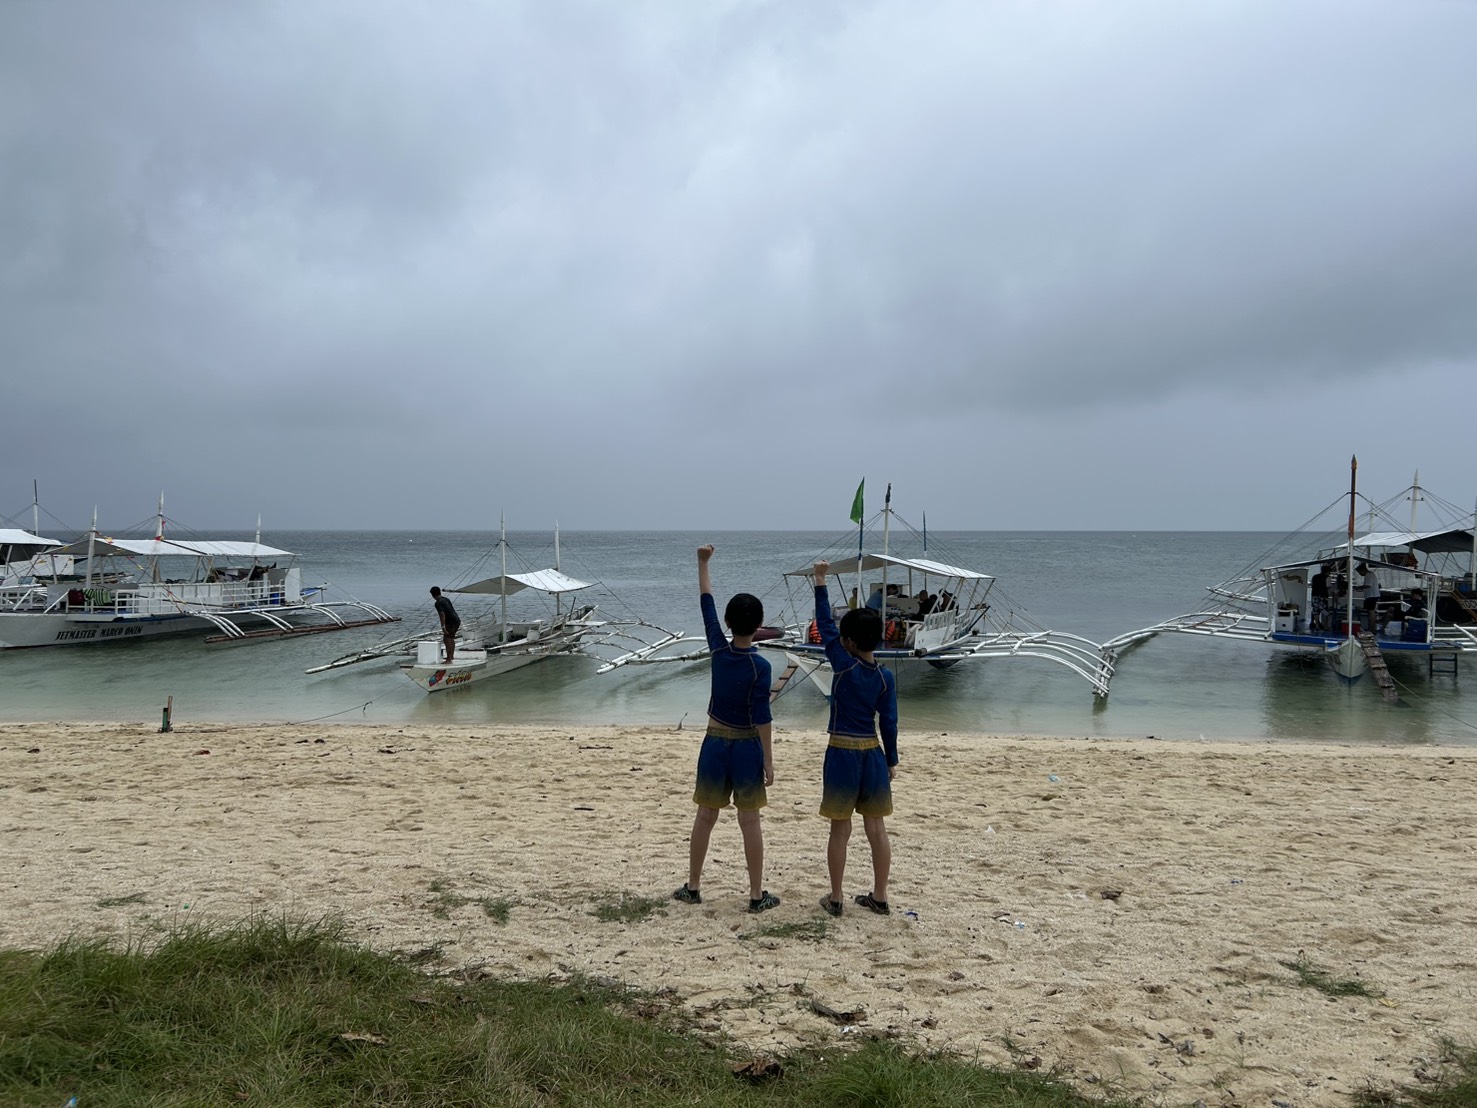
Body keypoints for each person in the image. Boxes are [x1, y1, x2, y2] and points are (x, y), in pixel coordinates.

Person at [673, 544, 779, 914]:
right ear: (759, 625)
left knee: (705, 816)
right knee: (750, 821)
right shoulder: (761, 667)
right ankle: (755, 894)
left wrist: (702, 562)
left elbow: (706, 602)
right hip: (748, 746)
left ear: (730, 623)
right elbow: (763, 718)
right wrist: (768, 759)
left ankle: (693, 885)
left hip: (715, 743)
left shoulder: (718, 649)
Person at [811, 559, 898, 918]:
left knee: (840, 828)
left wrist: (820, 581)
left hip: (842, 752)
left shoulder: (843, 664)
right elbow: (889, 722)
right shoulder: (885, 677)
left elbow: (825, 625)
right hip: (872, 753)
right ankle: (879, 895)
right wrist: (891, 760)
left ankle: (835, 897)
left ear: (848, 642)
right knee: (876, 828)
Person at [429, 586, 460, 664]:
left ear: (432, 595)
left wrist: (443, 626)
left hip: (450, 623)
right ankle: (451, 656)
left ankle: (449, 659)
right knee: (451, 638)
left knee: (447, 639)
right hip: (456, 620)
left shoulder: (438, 603)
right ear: (440, 592)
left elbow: (442, 614)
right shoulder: (446, 599)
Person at [1359, 564, 1380, 635]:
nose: (1360, 574)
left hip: (1371, 596)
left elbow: (1368, 585)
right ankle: (1371, 628)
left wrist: (1359, 587)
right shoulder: (1370, 575)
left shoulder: (1369, 575)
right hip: (1371, 596)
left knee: (1371, 612)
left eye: (1360, 572)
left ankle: (1371, 629)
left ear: (1362, 570)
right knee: (1370, 612)